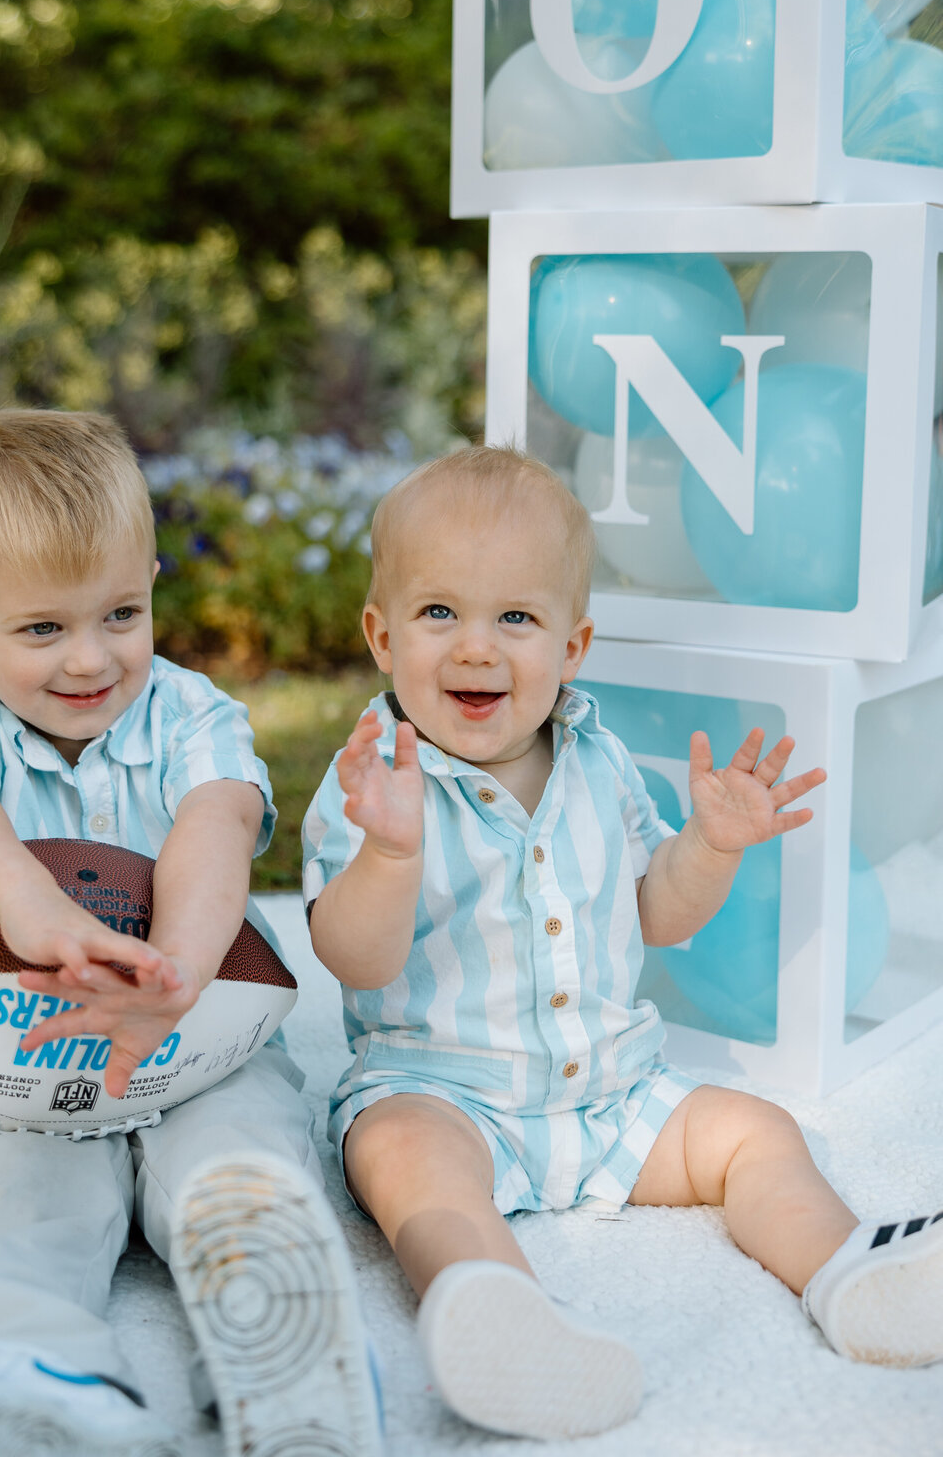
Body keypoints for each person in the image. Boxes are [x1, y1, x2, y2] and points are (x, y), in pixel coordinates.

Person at [302, 443, 943, 1443]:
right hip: (443, 1090)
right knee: (400, 1160)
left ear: (574, 646)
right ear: (382, 637)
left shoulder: (598, 763)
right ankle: (501, 1316)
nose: (477, 648)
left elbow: (655, 914)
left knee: (755, 1133)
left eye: (516, 617)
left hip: (612, 1092)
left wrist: (712, 848)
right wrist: (388, 854)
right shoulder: (375, 783)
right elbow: (354, 960)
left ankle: (845, 1270)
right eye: (440, 613)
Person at [0, 408, 381, 1457]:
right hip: (20, 1037)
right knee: (28, 1192)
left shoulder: (192, 714)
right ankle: (26, 1364)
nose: (90, 659)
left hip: (199, 1028)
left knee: (236, 1148)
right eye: (42, 630)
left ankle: (275, 1325)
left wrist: (179, 970)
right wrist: (33, 908)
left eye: (121, 613)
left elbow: (215, 827)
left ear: (151, 578)